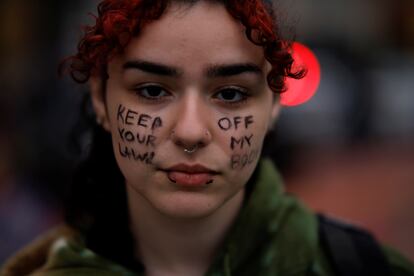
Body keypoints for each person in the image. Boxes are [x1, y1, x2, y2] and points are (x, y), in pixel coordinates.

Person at [2, 0, 413, 275]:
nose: (191, 131)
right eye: (152, 91)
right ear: (101, 99)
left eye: (230, 94)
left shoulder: (360, 267)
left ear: (272, 106)